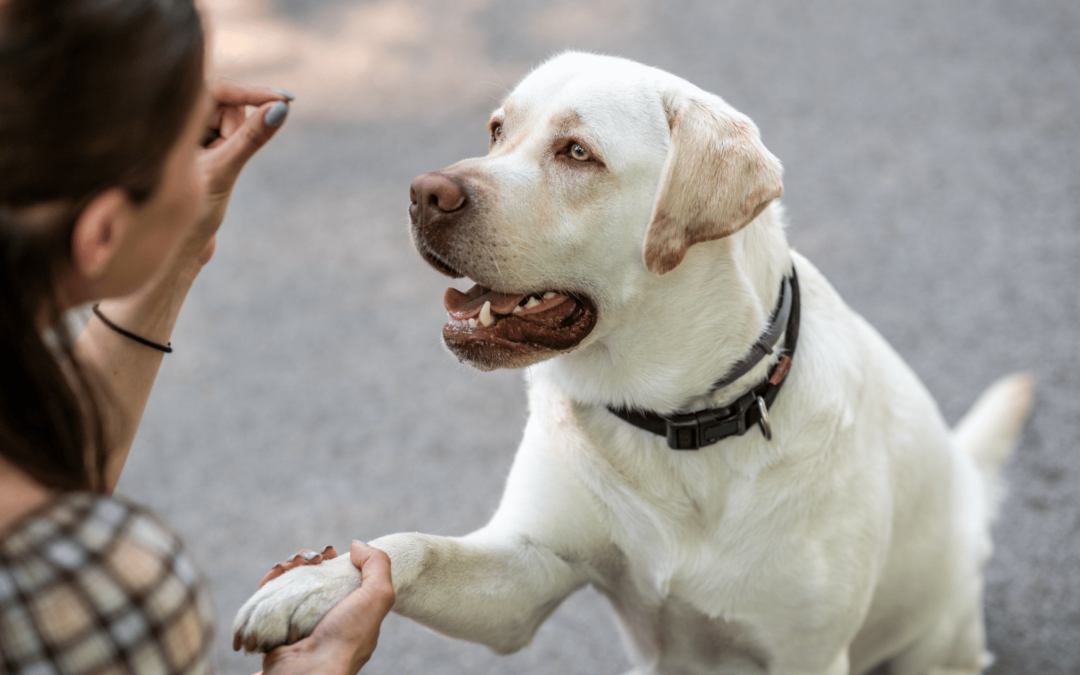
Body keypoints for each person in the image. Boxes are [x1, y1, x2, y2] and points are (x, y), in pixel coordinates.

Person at [0, 1, 394, 673]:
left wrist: (177, 251)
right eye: (183, 142)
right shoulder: (93, 594)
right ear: (100, 233)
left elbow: (47, 476)